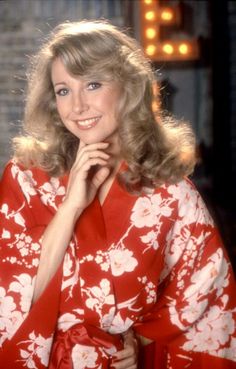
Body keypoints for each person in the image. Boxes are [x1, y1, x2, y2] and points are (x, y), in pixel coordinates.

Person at [0, 20, 235, 369]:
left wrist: (140, 340)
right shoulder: (25, 177)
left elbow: (206, 288)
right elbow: (15, 295)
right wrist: (71, 207)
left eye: (93, 85)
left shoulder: (171, 191)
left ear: (127, 88)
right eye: (63, 90)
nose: (77, 106)